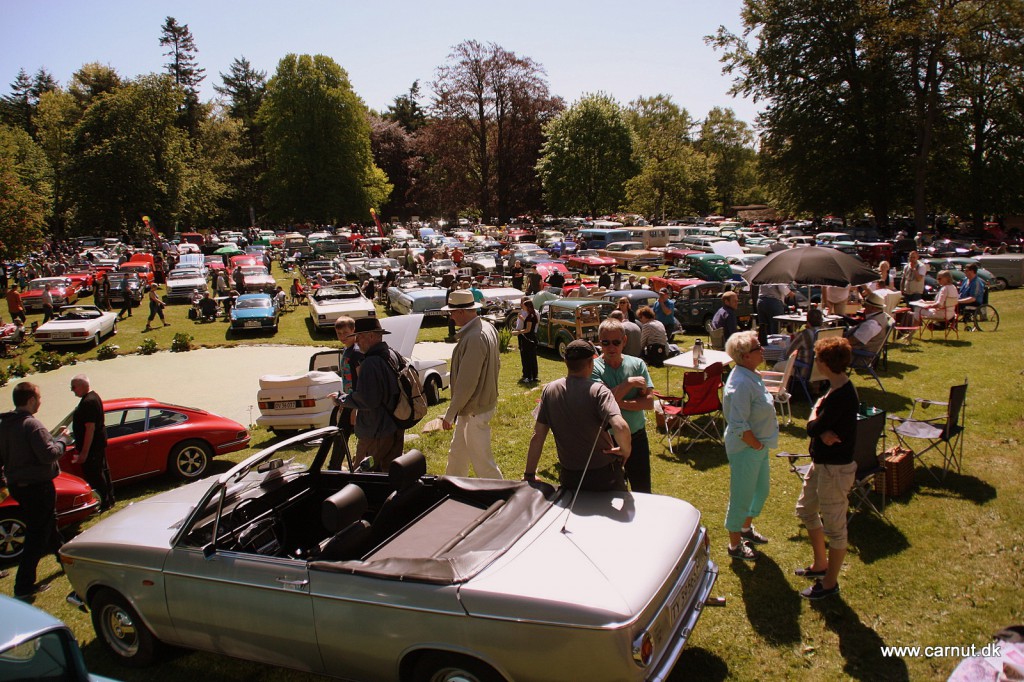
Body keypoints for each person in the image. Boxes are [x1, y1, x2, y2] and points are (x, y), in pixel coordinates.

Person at [794, 336, 859, 600]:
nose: (815, 362)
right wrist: (819, 429)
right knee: (806, 509)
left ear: (825, 363)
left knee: (835, 527)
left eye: (818, 358)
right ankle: (820, 565)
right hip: (820, 464)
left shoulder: (841, 395)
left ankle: (830, 583)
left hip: (834, 470)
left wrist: (816, 427)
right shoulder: (832, 389)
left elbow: (811, 426)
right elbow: (817, 423)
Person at [524, 340, 632, 491]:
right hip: (605, 474)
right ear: (591, 363)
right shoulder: (599, 391)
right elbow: (620, 426)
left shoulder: (550, 390)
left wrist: (529, 474)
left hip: (570, 475)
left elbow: (538, 436)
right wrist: (625, 450)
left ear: (565, 361)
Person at [0, 382, 70, 600]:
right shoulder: (32, 426)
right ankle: (23, 586)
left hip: (18, 486)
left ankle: (66, 560)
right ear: (30, 400)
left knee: (49, 523)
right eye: (38, 398)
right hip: (38, 487)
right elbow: (48, 455)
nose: (40, 402)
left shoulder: (5, 425)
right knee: (37, 534)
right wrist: (63, 440)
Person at [722, 331, 779, 561]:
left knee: (761, 491)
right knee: (742, 496)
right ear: (745, 356)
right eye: (758, 347)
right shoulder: (741, 383)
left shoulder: (750, 374)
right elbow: (737, 423)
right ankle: (735, 545)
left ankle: (746, 529)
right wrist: (754, 445)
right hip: (747, 448)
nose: (762, 349)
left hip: (758, 446)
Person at [442, 290, 502, 479]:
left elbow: (467, 383)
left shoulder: (475, 337)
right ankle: (452, 485)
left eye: (452, 312)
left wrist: (450, 414)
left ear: (461, 312)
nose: (451, 317)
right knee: (457, 453)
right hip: (474, 406)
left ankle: (503, 493)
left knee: (482, 461)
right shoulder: (487, 327)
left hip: (475, 408)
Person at [591, 318, 654, 493]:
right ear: (599, 342)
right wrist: (629, 383)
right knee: (611, 492)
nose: (611, 347)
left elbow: (649, 403)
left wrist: (618, 402)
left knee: (643, 490)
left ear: (624, 341)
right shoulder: (593, 368)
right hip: (608, 440)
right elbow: (602, 403)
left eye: (616, 342)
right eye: (605, 342)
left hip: (637, 437)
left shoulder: (637, 364)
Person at [332, 318, 403, 472]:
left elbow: (367, 399)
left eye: (360, 336)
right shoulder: (392, 354)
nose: (357, 341)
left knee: (362, 475)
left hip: (376, 430)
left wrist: (341, 399)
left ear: (371, 336)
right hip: (395, 426)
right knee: (391, 475)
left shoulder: (370, 362)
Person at [68, 374, 114, 511]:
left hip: (93, 447)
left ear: (82, 386)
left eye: (73, 387)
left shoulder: (88, 402)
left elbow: (90, 428)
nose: (72, 390)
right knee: (103, 472)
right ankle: (109, 500)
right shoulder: (93, 397)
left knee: (95, 475)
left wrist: (84, 453)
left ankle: (103, 502)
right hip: (97, 444)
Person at [329, 316, 361, 469]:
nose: (342, 337)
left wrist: (356, 407)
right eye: (339, 333)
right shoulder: (346, 350)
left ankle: (334, 468)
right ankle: (335, 466)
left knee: (343, 435)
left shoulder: (356, 352)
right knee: (340, 435)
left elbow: (361, 380)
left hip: (355, 401)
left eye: (346, 333)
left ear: (354, 330)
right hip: (347, 399)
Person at [510, 297, 539, 383]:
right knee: (531, 357)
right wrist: (521, 318)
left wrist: (517, 332)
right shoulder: (531, 315)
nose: (522, 306)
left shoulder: (530, 316)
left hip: (528, 338)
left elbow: (528, 329)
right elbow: (527, 323)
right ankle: (533, 375)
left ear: (528, 307)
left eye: (524, 305)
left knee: (527, 357)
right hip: (531, 338)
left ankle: (528, 376)